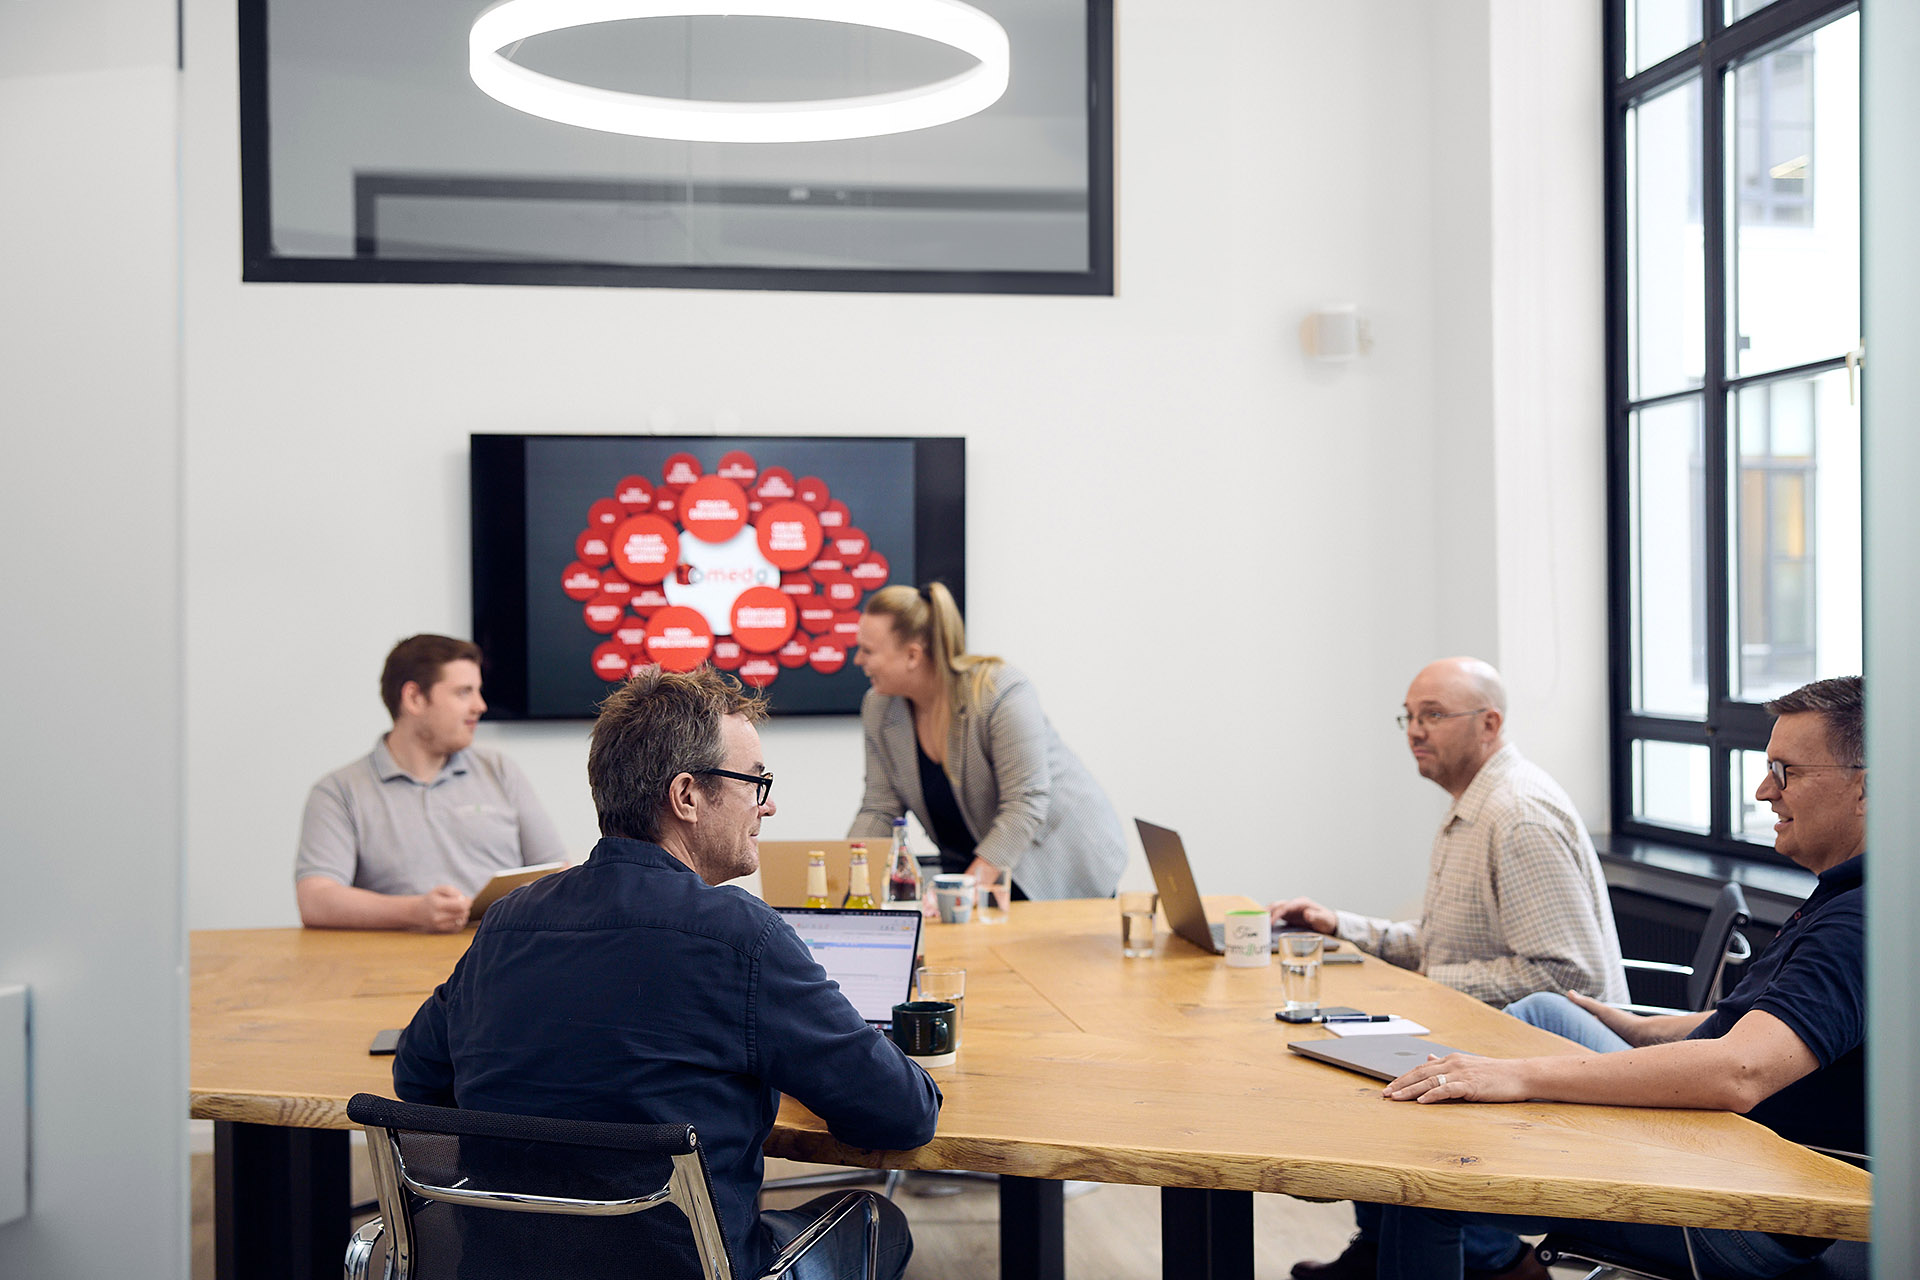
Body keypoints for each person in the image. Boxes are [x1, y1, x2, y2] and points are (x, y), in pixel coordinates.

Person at [392, 665, 941, 1280]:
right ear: (686, 796)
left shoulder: (506, 923)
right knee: (876, 1219)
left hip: (508, 1263)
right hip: (685, 1266)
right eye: (756, 782)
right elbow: (901, 1113)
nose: (770, 804)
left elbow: (417, 1078)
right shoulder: (742, 937)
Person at [1370, 675, 1866, 1280]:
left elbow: (1740, 1070)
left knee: (1425, 1180)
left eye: (1785, 773)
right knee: (1546, 1012)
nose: (1764, 792)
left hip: (1742, 1199)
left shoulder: (1859, 924)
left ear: (1868, 789)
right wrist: (1640, 1030)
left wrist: (1520, 1075)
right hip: (1725, 1148)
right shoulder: (1844, 896)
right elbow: (1767, 1027)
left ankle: (1490, 1256)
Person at [1276, 657, 1628, 1280]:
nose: (1415, 730)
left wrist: (1407, 987)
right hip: (1484, 1048)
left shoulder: (1517, 817)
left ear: (1489, 723)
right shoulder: (1472, 803)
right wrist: (1342, 927)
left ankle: (1499, 1262)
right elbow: (1442, 946)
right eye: (1409, 717)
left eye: (1433, 715)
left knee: (1372, 1087)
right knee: (1352, 1058)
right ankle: (1383, 1249)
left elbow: (1564, 980)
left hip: (1544, 1072)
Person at [848, 582, 1126, 901]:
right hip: (977, 869)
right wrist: (844, 879)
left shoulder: (998, 692)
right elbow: (879, 808)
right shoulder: (880, 709)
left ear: (912, 655)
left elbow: (1025, 803)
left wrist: (960, 892)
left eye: (868, 651)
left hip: (1057, 863)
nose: (858, 660)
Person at [294, 634, 565, 931]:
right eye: (464, 692)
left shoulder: (500, 770)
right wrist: (414, 911)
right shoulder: (339, 792)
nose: (480, 706)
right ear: (414, 698)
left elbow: (556, 872)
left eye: (478, 691)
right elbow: (316, 899)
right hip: (392, 969)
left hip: (500, 960)